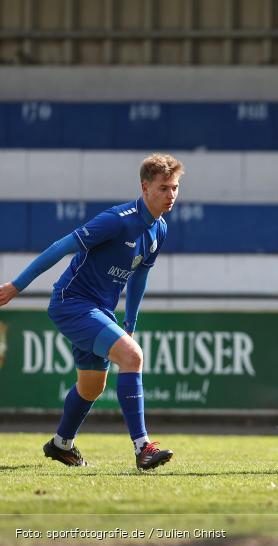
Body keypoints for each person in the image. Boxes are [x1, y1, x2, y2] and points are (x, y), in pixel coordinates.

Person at [0, 153, 183, 470]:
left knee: (92, 386)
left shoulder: (160, 229)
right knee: (133, 357)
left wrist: (130, 321)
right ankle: (143, 448)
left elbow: (140, 275)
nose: (171, 195)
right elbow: (61, 246)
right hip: (72, 302)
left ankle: (61, 444)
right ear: (145, 187)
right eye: (164, 188)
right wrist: (18, 285)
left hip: (99, 309)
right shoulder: (117, 220)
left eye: (175, 188)